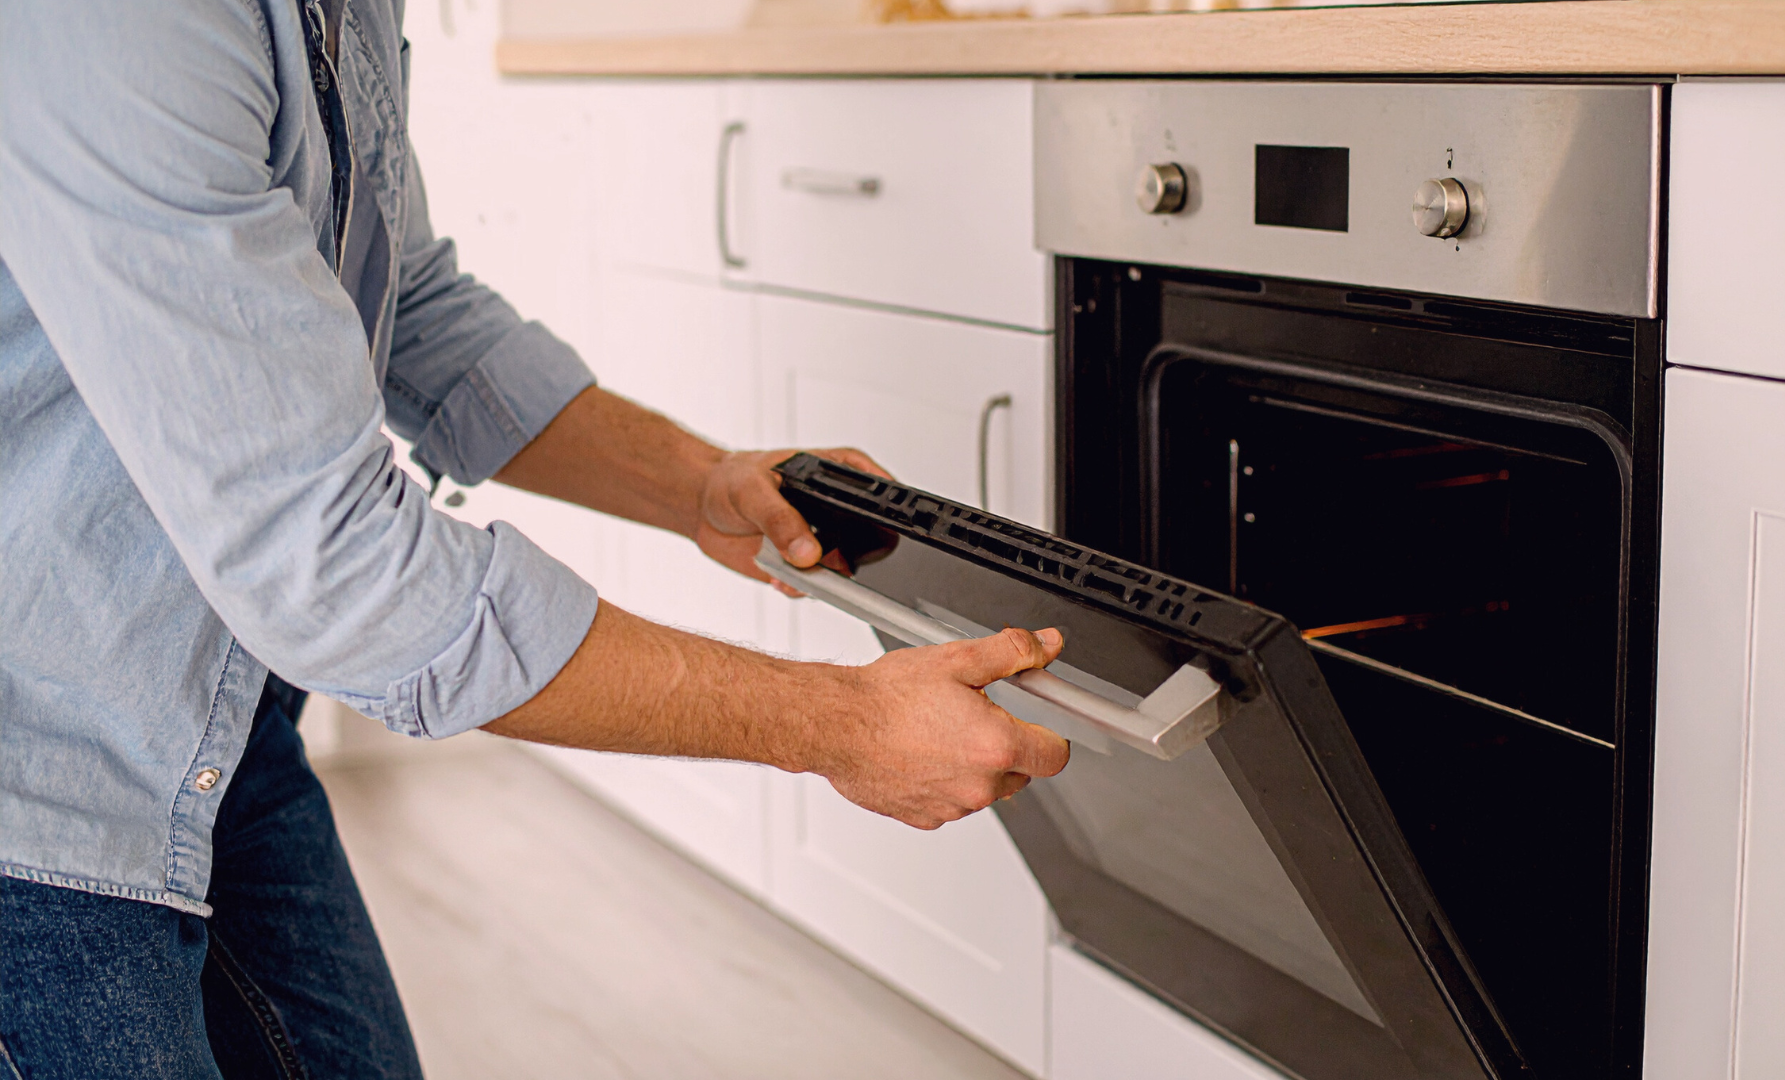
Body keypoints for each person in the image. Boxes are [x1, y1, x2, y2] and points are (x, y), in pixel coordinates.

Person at [0, 0, 1071, 1075]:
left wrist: (700, 485)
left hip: (212, 728)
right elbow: (332, 569)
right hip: (37, 778)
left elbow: (414, 310)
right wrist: (834, 723)